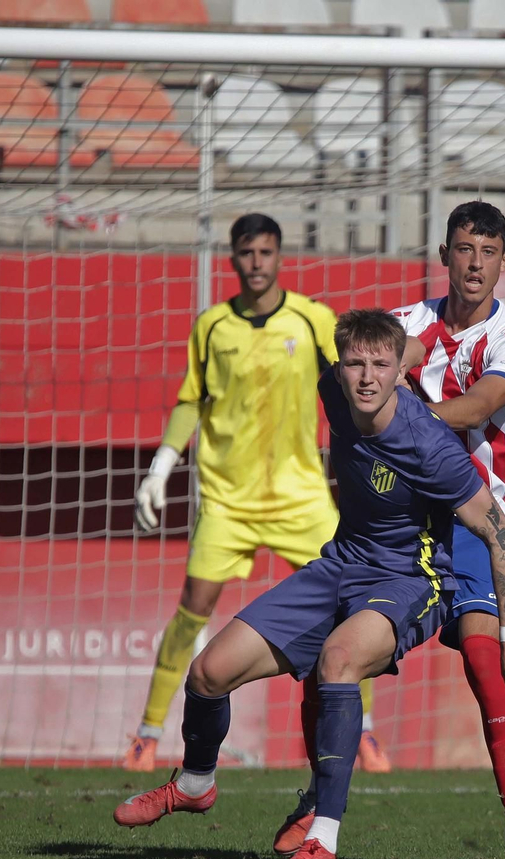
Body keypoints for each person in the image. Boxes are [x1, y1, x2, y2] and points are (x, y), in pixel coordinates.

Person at [114, 309, 505, 859]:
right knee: (207, 673)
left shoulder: (430, 445)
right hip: (340, 564)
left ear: (399, 374)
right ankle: (195, 782)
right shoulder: (335, 394)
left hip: (410, 578)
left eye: (380, 365)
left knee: (338, 661)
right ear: (338, 369)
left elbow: (501, 535)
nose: (367, 377)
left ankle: (323, 841)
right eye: (355, 364)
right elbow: (374, 351)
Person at [270, 201, 505, 859]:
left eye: (487, 251)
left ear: (504, 261)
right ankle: (318, 798)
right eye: (463, 249)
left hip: (477, 525)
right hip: (395, 531)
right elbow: (402, 352)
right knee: (328, 658)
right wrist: (396, 366)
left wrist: (406, 419)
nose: (475, 262)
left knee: (489, 662)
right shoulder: (408, 325)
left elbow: (481, 406)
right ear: (445, 255)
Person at [126, 213, 389, 775]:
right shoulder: (213, 326)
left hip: (301, 495)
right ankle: (148, 732)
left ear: (279, 257)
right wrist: (162, 465)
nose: (257, 263)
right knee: (193, 608)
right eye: (247, 253)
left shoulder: (313, 319)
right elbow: (190, 399)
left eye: (266, 252)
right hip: (228, 500)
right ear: (233, 259)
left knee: (354, 602)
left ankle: (364, 733)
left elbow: (353, 385)